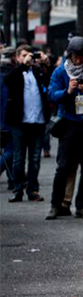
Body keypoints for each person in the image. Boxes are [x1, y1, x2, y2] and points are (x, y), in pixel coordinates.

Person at [45, 37, 83, 219]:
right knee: (63, 166)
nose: (79, 60)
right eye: (76, 56)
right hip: (69, 122)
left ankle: (81, 206)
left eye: (82, 57)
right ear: (70, 55)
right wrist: (68, 91)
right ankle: (55, 205)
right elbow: (51, 95)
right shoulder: (60, 72)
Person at [4, 46, 51, 202]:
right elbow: (8, 81)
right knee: (18, 158)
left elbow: (49, 84)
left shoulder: (37, 72)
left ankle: (33, 190)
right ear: (17, 57)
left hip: (37, 121)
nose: (28, 58)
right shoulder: (16, 72)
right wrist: (23, 65)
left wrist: (46, 64)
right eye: (24, 55)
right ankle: (18, 189)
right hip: (19, 122)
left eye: (30, 55)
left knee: (35, 158)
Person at [0, 47, 16, 190]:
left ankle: (13, 180)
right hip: (9, 120)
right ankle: (13, 179)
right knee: (12, 150)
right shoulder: (11, 76)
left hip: (4, 119)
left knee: (10, 150)